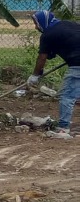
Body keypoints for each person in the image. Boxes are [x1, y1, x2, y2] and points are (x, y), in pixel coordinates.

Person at [29, 10, 80, 138]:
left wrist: (35, 75)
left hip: (78, 64)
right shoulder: (69, 24)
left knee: (67, 95)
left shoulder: (48, 35)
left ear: (42, 21)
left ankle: (63, 128)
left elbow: (42, 57)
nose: (36, 27)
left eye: (36, 23)